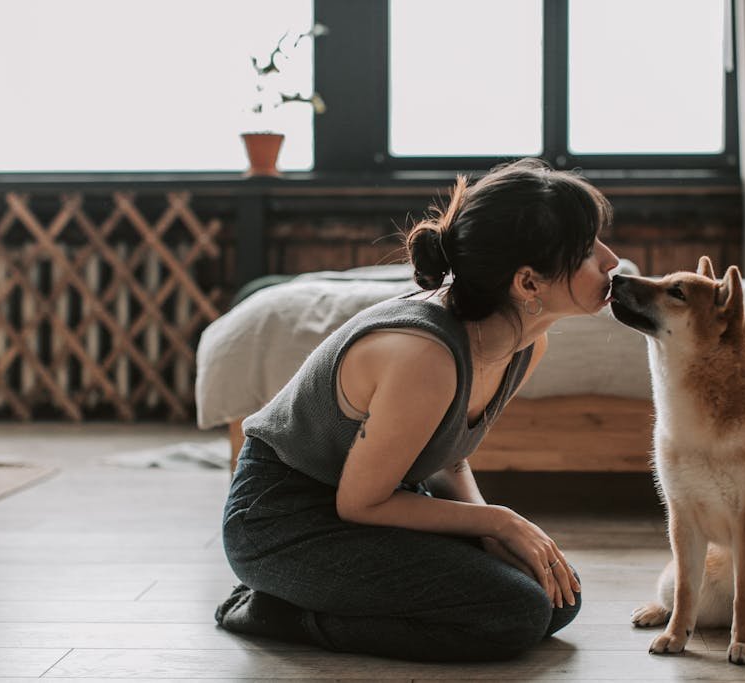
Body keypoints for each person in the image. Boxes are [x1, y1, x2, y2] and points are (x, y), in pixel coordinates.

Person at [215, 157, 620, 662]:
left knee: (558, 598)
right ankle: (276, 611)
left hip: (375, 503)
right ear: (528, 283)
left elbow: (448, 454)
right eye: (587, 250)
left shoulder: (524, 343)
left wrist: (489, 529)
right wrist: (498, 523)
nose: (611, 260)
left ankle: (322, 596)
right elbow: (359, 505)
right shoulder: (422, 355)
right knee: (515, 614)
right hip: (284, 522)